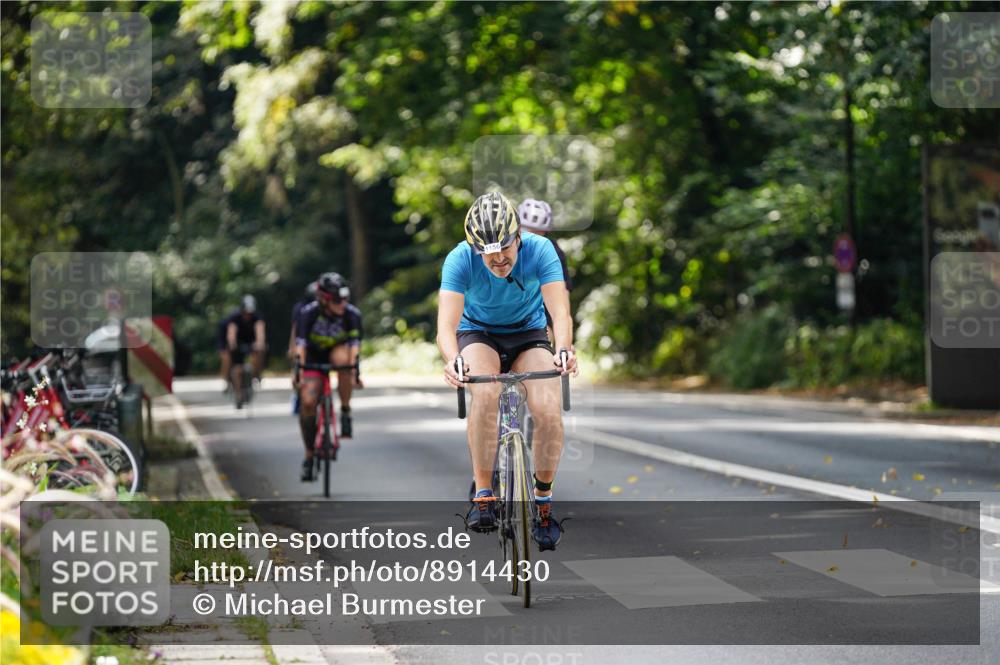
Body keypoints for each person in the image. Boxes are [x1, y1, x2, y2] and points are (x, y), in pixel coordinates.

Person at [437, 192, 578, 551]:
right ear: (475, 248)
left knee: (547, 410)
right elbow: (445, 326)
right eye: (488, 253)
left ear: (518, 237)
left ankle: (542, 502)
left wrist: (563, 349)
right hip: (478, 334)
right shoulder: (458, 259)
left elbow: (560, 313)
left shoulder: (541, 250)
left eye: (505, 249)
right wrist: (452, 359)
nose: (498, 259)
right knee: (485, 393)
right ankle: (484, 493)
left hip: (529, 333)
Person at [294, 272, 363, 481]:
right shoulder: (308, 313)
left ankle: (345, 410)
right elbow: (300, 346)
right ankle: (309, 454)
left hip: (337, 352)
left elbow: (355, 347)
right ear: (324, 299)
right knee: (307, 402)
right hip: (312, 357)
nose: (343, 304)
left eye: (345, 299)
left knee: (344, 361)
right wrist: (298, 373)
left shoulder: (352, 314)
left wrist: (354, 373)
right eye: (337, 300)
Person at [518, 198, 572, 340]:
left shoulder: (553, 251)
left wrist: (566, 342)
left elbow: (563, 303)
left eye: (539, 232)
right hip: (502, 315)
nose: (533, 237)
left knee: (547, 339)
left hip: (540, 315)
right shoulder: (503, 247)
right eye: (528, 230)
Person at [222, 295, 267, 407]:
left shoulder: (257, 317)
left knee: (260, 352)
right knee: (236, 368)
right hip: (238, 345)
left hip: (251, 344)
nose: (248, 315)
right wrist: (232, 344)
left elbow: (260, 332)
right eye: (246, 312)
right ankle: (238, 394)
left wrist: (259, 343)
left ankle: (257, 374)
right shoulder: (234, 317)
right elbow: (231, 333)